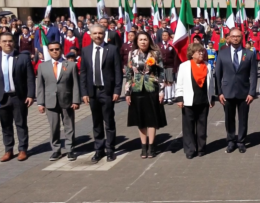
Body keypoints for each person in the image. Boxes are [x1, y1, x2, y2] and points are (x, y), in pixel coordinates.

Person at [0, 32, 36, 162]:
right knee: (5, 125)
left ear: (14, 42)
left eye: (10, 41)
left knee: (21, 124)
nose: (8, 43)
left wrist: (30, 95)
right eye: (4, 41)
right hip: (1, 98)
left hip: (18, 97)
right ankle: (8, 150)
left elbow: (30, 78)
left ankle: (23, 149)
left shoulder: (23, 58)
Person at [79, 24, 123, 163]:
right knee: (96, 122)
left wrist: (117, 90)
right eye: (95, 33)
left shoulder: (112, 49)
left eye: (100, 33)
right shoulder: (85, 51)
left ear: (104, 34)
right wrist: (84, 92)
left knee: (109, 121)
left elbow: (117, 72)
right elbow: (84, 73)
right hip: (92, 92)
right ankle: (99, 149)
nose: (98, 36)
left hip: (107, 91)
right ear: (90, 35)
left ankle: (110, 150)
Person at [125, 32, 168, 159]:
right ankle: (143, 146)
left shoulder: (155, 54)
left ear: (149, 41)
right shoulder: (132, 54)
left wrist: (161, 91)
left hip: (152, 88)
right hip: (137, 89)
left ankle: (152, 146)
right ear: (137, 42)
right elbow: (128, 74)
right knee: (141, 119)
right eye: (141, 40)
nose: (143, 42)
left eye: (145, 39)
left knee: (152, 119)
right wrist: (127, 92)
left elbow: (161, 73)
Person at [215, 28, 258, 154]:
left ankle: (241, 141)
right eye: (233, 36)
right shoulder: (222, 53)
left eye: (238, 36)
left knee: (243, 118)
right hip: (227, 92)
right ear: (229, 38)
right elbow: (218, 74)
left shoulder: (249, 53)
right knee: (229, 118)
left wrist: (252, 93)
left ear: (241, 38)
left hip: (244, 92)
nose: (235, 38)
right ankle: (231, 141)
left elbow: (253, 74)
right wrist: (219, 93)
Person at [36, 41, 81, 161]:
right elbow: (40, 86)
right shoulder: (42, 66)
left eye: (57, 49)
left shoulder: (70, 65)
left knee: (69, 125)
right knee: (53, 127)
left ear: (61, 50)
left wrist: (76, 100)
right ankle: (56, 150)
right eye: (52, 50)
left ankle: (70, 149)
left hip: (67, 100)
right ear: (49, 51)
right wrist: (40, 103)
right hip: (50, 101)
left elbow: (75, 84)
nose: (54, 51)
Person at [174, 43, 216, 159]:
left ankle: (201, 148)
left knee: (202, 127)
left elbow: (211, 84)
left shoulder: (207, 66)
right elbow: (180, 83)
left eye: (202, 51)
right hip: (188, 101)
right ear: (192, 54)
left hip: (203, 101)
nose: (202, 53)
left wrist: (212, 98)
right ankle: (190, 149)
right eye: (198, 52)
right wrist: (180, 98)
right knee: (189, 127)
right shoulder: (184, 66)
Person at [159, 31, 178, 104]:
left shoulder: (172, 45)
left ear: (169, 37)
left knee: (170, 81)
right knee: (164, 82)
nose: (164, 37)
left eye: (166, 35)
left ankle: (169, 97)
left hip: (170, 66)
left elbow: (175, 57)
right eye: (163, 35)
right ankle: (165, 97)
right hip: (161, 66)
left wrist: (175, 67)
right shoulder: (158, 45)